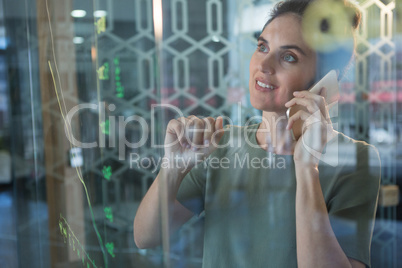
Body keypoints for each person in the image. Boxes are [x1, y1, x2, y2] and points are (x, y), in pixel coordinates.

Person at [134, 0, 381, 267]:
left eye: (289, 57)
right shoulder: (221, 144)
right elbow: (146, 237)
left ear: (324, 83)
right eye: (262, 47)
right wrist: (172, 168)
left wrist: (307, 167)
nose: (264, 64)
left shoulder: (355, 159)